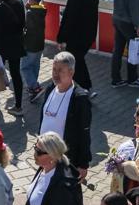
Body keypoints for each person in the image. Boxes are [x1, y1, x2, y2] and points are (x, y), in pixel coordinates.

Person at [32, 51, 94, 180]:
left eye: (60, 70)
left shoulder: (79, 98)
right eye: (54, 69)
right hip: (45, 155)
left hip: (64, 159)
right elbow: (44, 118)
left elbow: (84, 132)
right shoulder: (50, 88)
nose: (55, 73)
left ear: (71, 72)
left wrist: (83, 164)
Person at [55, 0, 99, 90]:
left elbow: (68, 21)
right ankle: (82, 86)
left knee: (75, 61)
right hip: (89, 35)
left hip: (77, 38)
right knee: (78, 60)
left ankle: (84, 87)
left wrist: (60, 39)